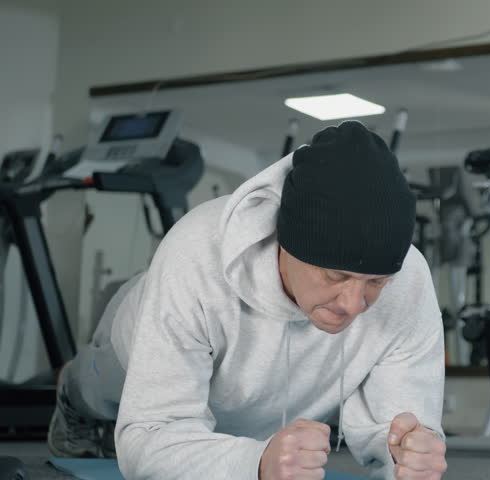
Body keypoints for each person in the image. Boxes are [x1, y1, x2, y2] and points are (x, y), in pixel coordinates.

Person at [47, 121, 447, 480]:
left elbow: (395, 425)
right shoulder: (195, 252)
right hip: (134, 337)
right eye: (335, 276)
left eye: (376, 282)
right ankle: (69, 387)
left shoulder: (408, 283)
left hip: (254, 394)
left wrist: (408, 454)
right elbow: (151, 434)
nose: (355, 303)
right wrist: (256, 463)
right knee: (98, 390)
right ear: (286, 245)